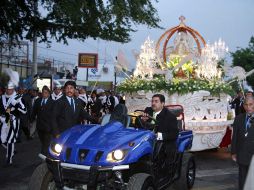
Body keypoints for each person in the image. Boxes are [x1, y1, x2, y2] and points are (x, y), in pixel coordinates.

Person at [141, 94, 179, 166]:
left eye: (156, 101)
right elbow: (139, 124)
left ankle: (166, 170)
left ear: (162, 103)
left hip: (162, 141)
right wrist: (143, 120)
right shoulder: (147, 110)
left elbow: (174, 134)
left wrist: (159, 135)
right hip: (146, 138)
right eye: (152, 101)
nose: (153, 103)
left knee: (168, 149)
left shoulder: (170, 116)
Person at [0, 82, 27, 166]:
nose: (9, 91)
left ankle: (9, 159)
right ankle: (11, 149)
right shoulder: (2, 97)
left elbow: (24, 110)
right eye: (7, 89)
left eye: (10, 89)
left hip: (12, 121)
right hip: (3, 120)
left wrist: (17, 104)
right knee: (2, 140)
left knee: (10, 140)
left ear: (13, 89)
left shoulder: (17, 98)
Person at [231, 96, 254, 190]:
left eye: (251, 104)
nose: (248, 107)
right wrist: (233, 152)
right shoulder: (238, 118)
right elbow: (234, 136)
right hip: (242, 154)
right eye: (246, 104)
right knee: (242, 179)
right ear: (243, 106)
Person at [31, 86, 54, 155]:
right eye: (43, 93)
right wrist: (31, 120)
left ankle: (44, 155)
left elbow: (54, 115)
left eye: (46, 93)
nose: (44, 94)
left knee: (46, 142)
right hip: (40, 126)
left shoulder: (52, 102)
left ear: (49, 94)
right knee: (43, 141)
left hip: (48, 126)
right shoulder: (38, 101)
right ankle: (46, 151)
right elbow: (34, 111)